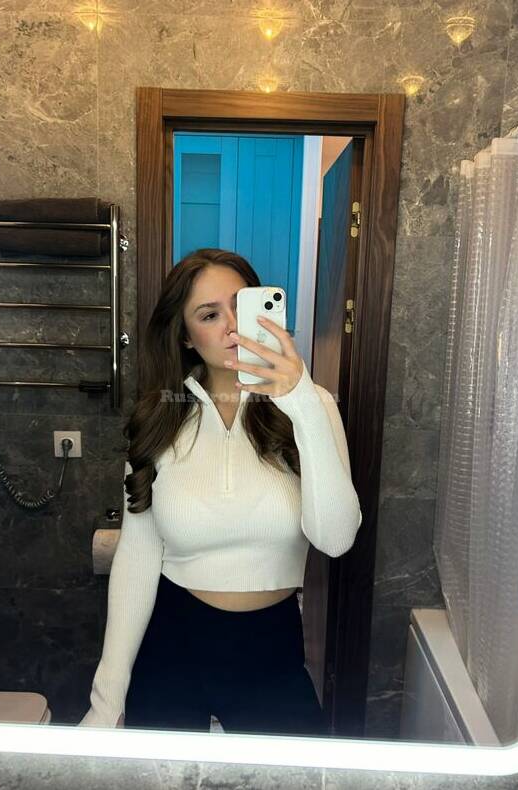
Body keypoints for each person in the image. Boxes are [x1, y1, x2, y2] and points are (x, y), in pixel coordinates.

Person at [79, 248, 362, 736]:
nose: (232, 326)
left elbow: (335, 539)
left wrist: (301, 402)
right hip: (172, 645)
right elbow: (137, 557)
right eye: (209, 315)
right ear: (186, 336)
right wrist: (106, 700)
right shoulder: (160, 417)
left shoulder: (311, 404)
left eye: (240, 305)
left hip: (272, 650)